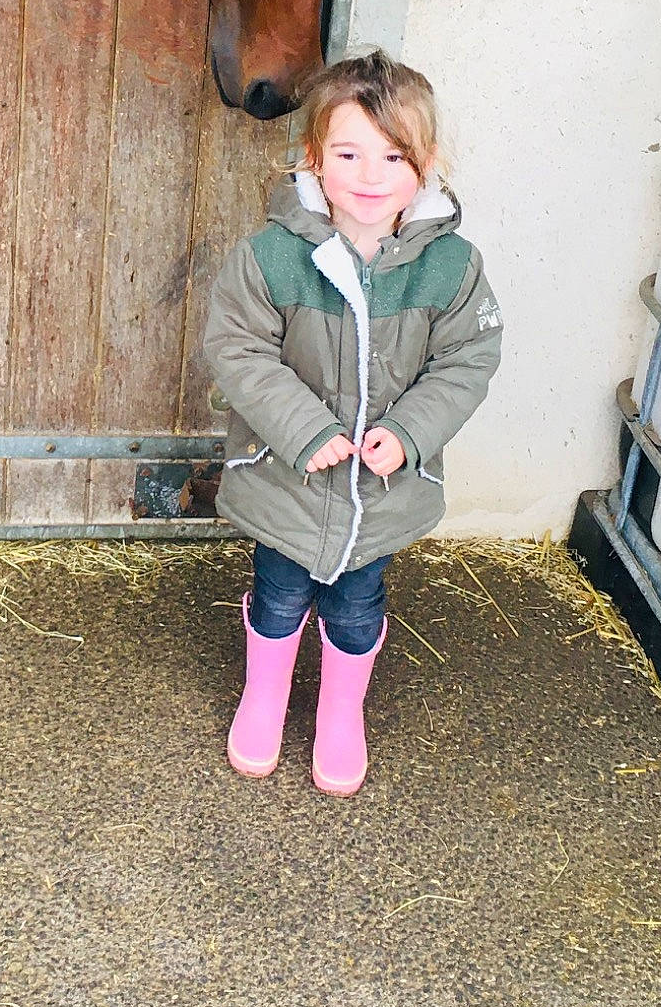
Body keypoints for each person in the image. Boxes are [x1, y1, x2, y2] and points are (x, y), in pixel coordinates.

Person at [204, 50, 502, 794]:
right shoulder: (270, 257)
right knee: (279, 591)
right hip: (290, 478)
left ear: (426, 163)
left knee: (358, 601)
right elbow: (237, 347)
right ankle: (265, 696)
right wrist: (303, 429)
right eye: (348, 154)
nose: (371, 176)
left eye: (394, 156)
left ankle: (341, 711)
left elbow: (467, 359)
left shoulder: (451, 267)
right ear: (314, 158)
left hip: (379, 486)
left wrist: (409, 434)